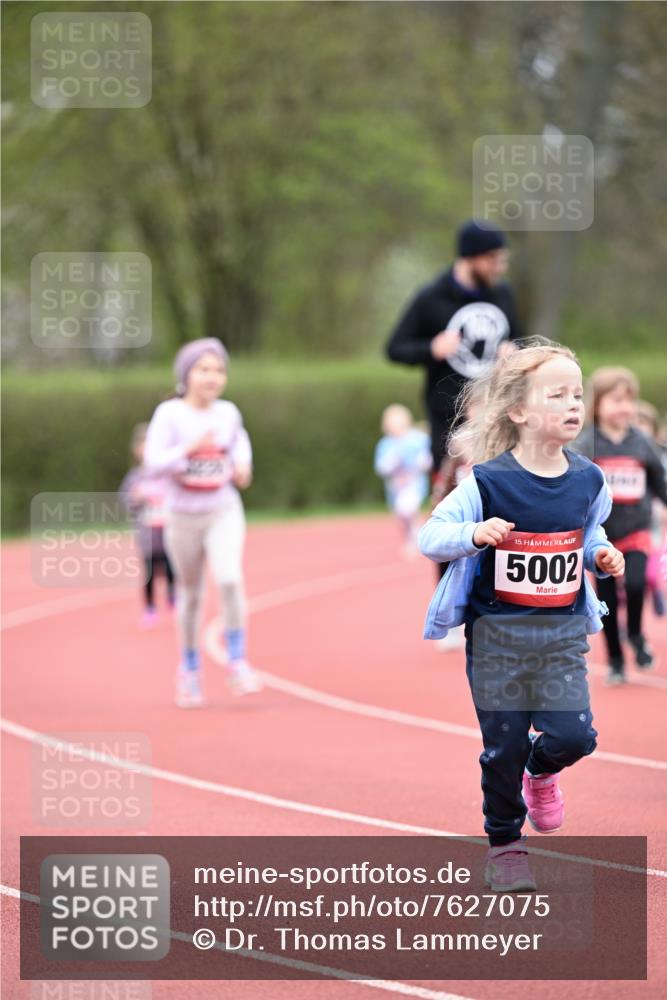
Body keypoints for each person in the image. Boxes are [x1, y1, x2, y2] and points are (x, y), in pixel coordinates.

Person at [419, 339, 624, 891]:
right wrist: (472, 534)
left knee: (575, 736)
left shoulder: (589, 480)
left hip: (560, 637)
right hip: (498, 640)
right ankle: (506, 843)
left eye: (577, 394)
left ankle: (542, 770)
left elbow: (590, 532)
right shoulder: (487, 482)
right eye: (557, 394)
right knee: (502, 746)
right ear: (519, 411)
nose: (573, 404)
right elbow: (431, 536)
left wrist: (600, 556)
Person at [144, 337, 261, 707]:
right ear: (186, 374)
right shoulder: (170, 415)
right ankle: (189, 670)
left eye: (219, 370)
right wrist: (188, 451)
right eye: (203, 369)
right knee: (192, 595)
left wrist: (243, 464)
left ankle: (238, 662)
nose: (212, 377)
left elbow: (239, 441)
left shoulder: (227, 412)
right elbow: (153, 461)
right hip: (181, 516)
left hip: (222, 509)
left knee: (229, 578)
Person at [386, 220, 522, 473]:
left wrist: (514, 351)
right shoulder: (431, 297)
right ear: (472, 257)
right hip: (447, 415)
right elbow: (395, 349)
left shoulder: (503, 294)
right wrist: (431, 349)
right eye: (494, 260)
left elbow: (519, 339)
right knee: (450, 493)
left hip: (494, 410)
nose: (499, 269)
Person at [573, 369, 667, 683]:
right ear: (597, 404)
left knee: (638, 583)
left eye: (629, 400)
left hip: (637, 530)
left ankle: (637, 634)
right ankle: (615, 658)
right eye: (615, 400)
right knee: (608, 601)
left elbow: (659, 480)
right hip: (602, 538)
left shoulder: (642, 442)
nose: (624, 407)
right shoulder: (587, 443)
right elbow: (573, 484)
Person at [119, 423, 175, 628]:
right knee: (150, 571)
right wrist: (135, 498)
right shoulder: (135, 477)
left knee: (170, 567)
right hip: (147, 534)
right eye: (144, 446)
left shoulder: (168, 473)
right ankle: (150, 608)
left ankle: (172, 595)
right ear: (137, 451)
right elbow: (125, 500)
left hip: (168, 531)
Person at [374, 405, 432, 556]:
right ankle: (410, 538)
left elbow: (427, 459)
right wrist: (392, 460)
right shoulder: (385, 444)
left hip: (414, 484)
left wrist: (421, 462)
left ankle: (417, 539)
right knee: (401, 515)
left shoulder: (417, 439)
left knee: (408, 509)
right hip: (395, 487)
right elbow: (381, 467)